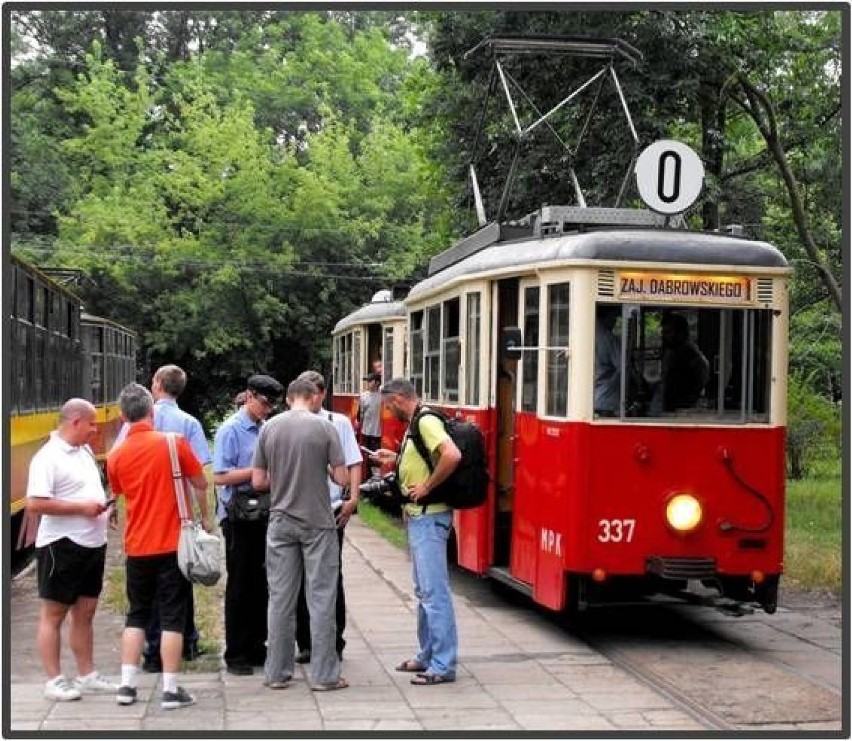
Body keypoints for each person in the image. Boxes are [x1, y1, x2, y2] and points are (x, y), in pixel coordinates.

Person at [107, 383, 212, 710]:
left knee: (136, 614)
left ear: (122, 417)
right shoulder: (173, 443)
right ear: (152, 411)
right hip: (172, 545)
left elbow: (120, 491)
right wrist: (205, 518)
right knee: (172, 617)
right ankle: (170, 689)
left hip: (137, 546)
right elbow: (200, 482)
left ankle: (126, 686)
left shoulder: (115, 455)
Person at [252, 377, 349, 692]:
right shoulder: (325, 428)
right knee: (321, 598)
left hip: (280, 521)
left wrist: (284, 476)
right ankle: (324, 675)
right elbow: (342, 476)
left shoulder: (269, 428)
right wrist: (321, 468)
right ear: (310, 397)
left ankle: (277, 672)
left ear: (290, 397)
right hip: (318, 522)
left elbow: (258, 481)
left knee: (280, 597)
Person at [25, 399, 117, 702]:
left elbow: (87, 489)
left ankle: (87, 673)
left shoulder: (85, 451)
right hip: (61, 546)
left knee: (86, 612)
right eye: (91, 423)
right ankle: (54, 679)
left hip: (93, 543)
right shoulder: (47, 457)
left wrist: (103, 508)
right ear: (75, 421)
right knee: (54, 614)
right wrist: (81, 508)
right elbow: (35, 503)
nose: (95, 429)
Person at [371, 378, 461, 685]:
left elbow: (451, 455)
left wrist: (427, 486)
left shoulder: (425, 421)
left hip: (429, 517)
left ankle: (443, 663)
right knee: (424, 592)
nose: (387, 411)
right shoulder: (417, 422)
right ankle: (427, 655)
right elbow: (424, 460)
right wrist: (394, 460)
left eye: (387, 405)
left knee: (435, 594)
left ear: (397, 399)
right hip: (419, 517)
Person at [213, 374, 283, 675]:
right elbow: (219, 476)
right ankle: (236, 652)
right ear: (250, 396)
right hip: (238, 516)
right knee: (240, 584)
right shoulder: (231, 430)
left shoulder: (267, 428)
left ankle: (257, 645)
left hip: (264, 513)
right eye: (264, 404)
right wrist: (255, 472)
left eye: (271, 406)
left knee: (261, 584)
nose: (267, 410)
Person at [293, 371, 362, 665]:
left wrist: (353, 498)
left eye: (317, 392)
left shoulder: (338, 422)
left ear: (322, 394)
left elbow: (353, 461)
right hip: (299, 509)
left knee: (331, 575)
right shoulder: (292, 423)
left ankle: (334, 640)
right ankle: (306, 642)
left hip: (332, 508)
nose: (313, 398)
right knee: (299, 578)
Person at [660, 312, 710, 411]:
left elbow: (702, 375)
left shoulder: (690, 353)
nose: (664, 336)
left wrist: (690, 399)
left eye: (668, 332)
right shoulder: (671, 351)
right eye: (663, 332)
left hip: (684, 407)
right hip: (672, 404)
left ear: (679, 332)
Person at [594, 306, 621, 416]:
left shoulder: (582, 334)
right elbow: (622, 367)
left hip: (586, 397)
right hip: (606, 399)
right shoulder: (608, 338)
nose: (615, 321)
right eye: (613, 317)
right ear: (606, 317)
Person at [357, 372, 382, 452]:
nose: (368, 383)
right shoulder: (363, 396)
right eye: (367, 381)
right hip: (366, 431)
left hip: (378, 432)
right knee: (365, 453)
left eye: (370, 381)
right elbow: (360, 414)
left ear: (377, 383)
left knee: (376, 455)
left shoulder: (382, 396)